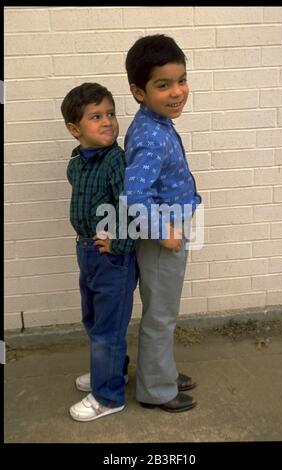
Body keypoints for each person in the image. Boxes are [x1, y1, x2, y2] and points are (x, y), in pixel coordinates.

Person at [96, 34, 201, 413]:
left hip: (170, 228)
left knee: (163, 311)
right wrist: (162, 233)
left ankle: (163, 371)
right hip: (163, 236)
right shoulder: (151, 135)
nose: (177, 92)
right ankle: (156, 390)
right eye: (163, 85)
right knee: (161, 314)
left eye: (182, 80)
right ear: (139, 91)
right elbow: (133, 197)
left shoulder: (154, 122)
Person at [61, 82, 137, 422]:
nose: (108, 121)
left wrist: (118, 243)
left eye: (110, 114)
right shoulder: (77, 163)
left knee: (108, 328)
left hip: (112, 260)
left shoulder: (116, 162)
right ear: (75, 129)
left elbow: (131, 206)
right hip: (86, 253)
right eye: (96, 116)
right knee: (93, 320)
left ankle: (108, 396)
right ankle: (109, 371)